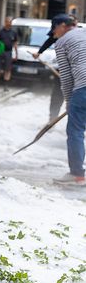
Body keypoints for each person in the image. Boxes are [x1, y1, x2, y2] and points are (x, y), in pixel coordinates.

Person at [50, 14, 86, 186]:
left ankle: (77, 175)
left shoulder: (62, 42)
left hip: (83, 87)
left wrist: (69, 101)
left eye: (55, 29)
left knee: (76, 132)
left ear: (63, 25)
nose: (54, 34)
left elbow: (65, 77)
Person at [0, 16, 18, 91]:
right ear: (5, 22)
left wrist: (16, 54)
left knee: (8, 69)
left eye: (10, 22)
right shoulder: (0, 32)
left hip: (8, 52)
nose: (8, 23)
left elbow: (15, 44)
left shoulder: (13, 33)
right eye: (7, 22)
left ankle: (5, 86)